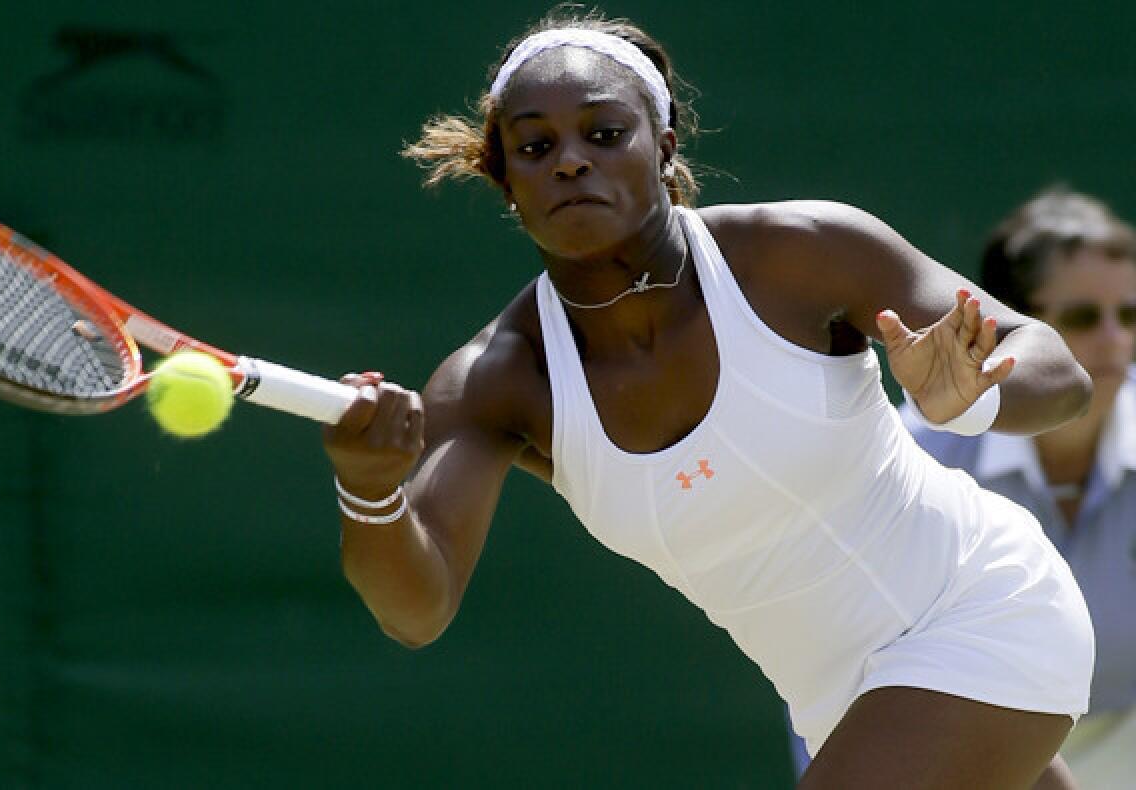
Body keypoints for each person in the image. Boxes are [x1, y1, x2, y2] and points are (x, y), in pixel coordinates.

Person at [322, 9, 1095, 788]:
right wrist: (369, 489)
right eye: (535, 147)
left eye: (603, 133)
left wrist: (974, 395)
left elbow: (1057, 368)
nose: (569, 163)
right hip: (843, 703)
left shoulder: (799, 251)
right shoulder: (500, 381)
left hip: (984, 609)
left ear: (663, 148)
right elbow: (415, 611)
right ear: (506, 181)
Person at [905, 189, 1136, 788]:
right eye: (1084, 318)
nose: (1115, 342)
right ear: (1015, 327)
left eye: (1131, 316)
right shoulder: (921, 460)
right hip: (968, 757)